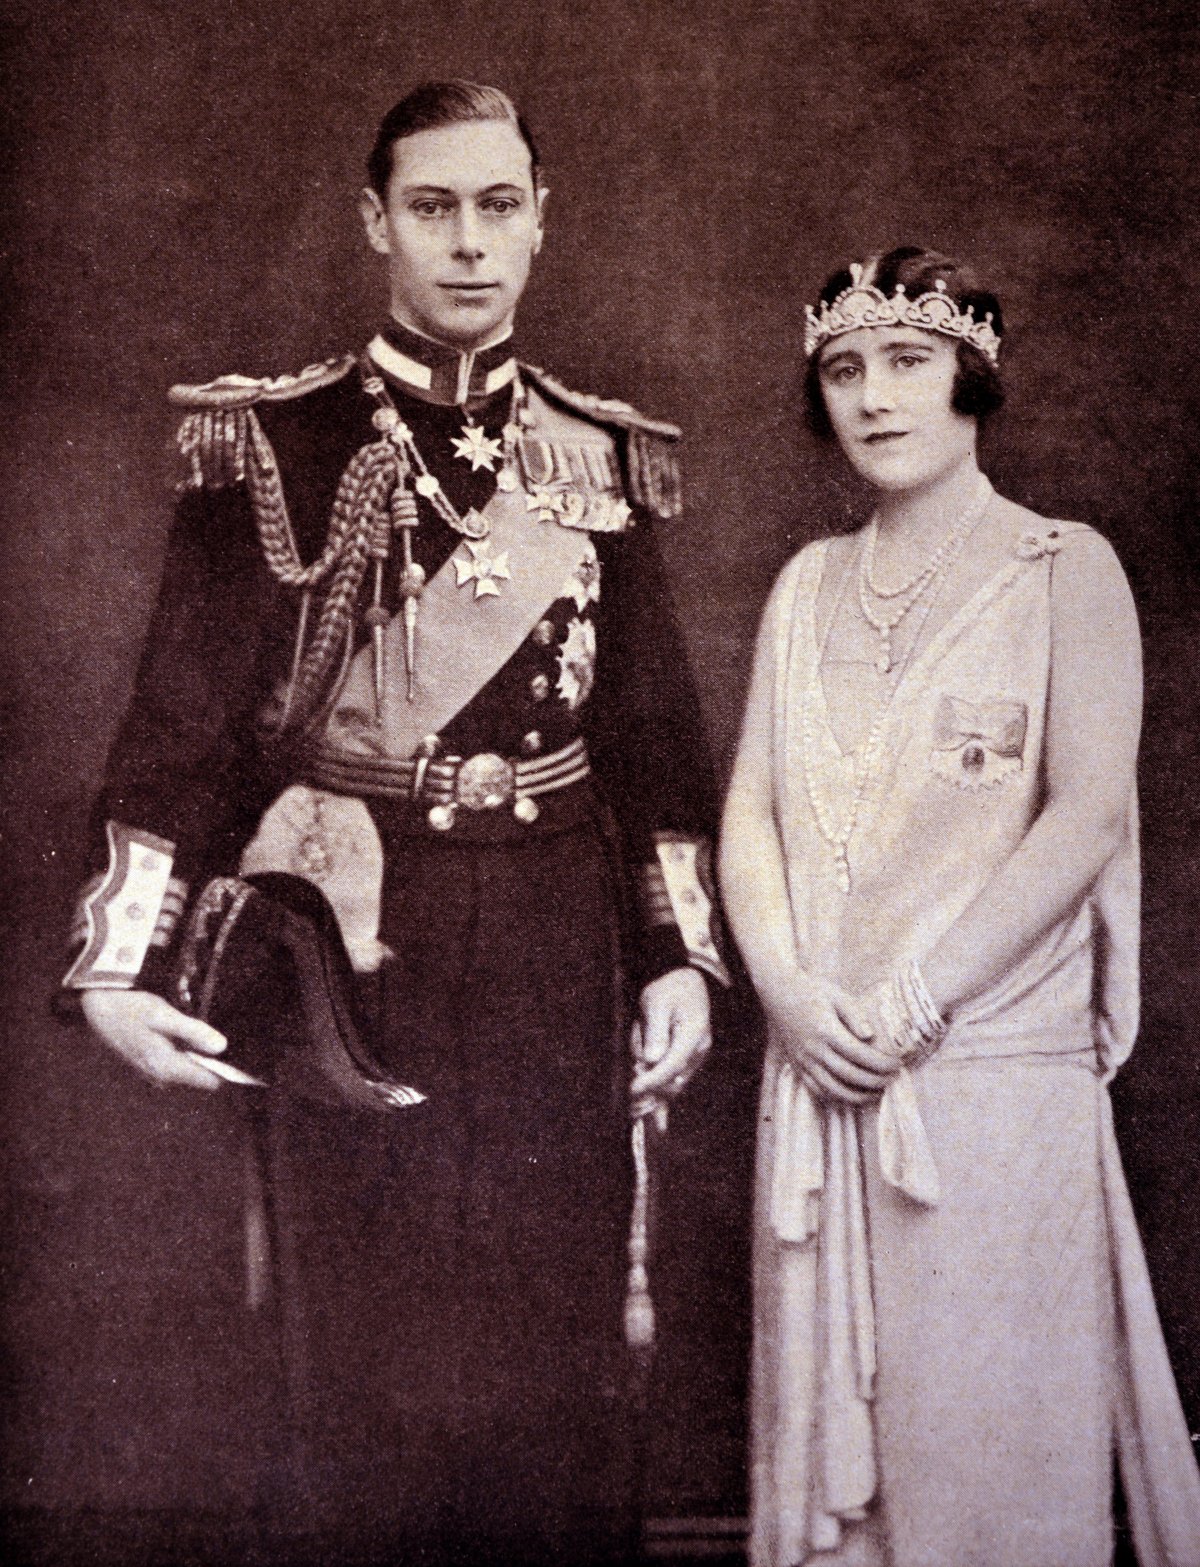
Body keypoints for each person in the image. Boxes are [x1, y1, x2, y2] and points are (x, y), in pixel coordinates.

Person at [61, 80, 726, 1566]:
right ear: (377, 224)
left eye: (501, 207)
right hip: (354, 944)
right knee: (363, 1365)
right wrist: (114, 966)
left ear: (545, 224)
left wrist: (678, 957)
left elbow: (656, 749)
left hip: (558, 940)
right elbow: (176, 736)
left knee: (554, 1356)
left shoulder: (604, 458)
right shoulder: (270, 442)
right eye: (435, 208)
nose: (470, 243)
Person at [719, 246, 1200, 1567]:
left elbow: (1087, 814)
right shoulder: (806, 587)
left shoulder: (1064, 570)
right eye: (844, 369)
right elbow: (749, 814)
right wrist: (791, 994)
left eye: (909, 362)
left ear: (969, 378)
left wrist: (918, 1000)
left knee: (991, 1463)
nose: (876, 396)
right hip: (822, 1079)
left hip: (985, 1090)